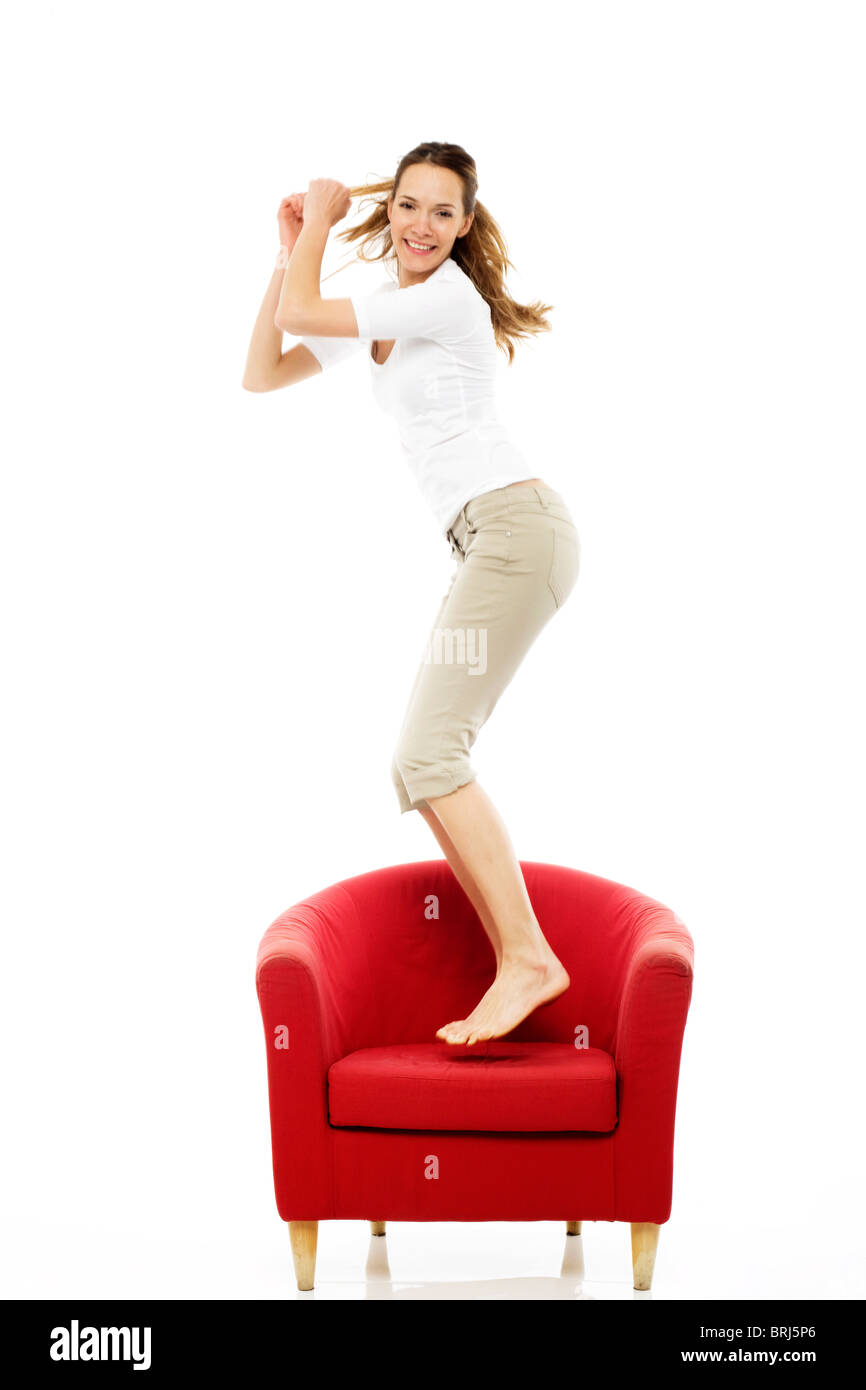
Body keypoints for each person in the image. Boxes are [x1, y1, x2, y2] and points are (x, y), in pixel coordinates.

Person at [242, 141, 581, 1047]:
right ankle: (514, 952)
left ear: (465, 226)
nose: (421, 225)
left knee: (433, 750)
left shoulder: (442, 299)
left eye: (442, 211)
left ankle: (527, 957)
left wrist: (314, 225)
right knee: (418, 758)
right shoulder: (391, 314)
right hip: (489, 547)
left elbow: (311, 305)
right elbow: (264, 370)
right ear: (387, 211)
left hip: (516, 534)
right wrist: (286, 251)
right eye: (407, 205)